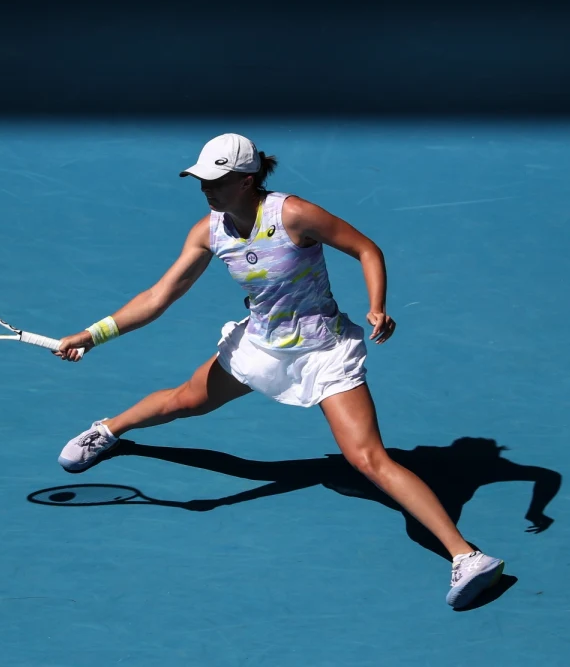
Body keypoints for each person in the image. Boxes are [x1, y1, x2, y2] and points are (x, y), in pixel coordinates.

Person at [52, 132, 505, 609]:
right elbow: (157, 297)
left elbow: (367, 249)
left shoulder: (293, 214)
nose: (207, 189)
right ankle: (108, 431)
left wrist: (377, 307)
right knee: (185, 400)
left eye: (218, 181)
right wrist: (92, 333)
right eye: (202, 180)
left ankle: (468, 557)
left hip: (323, 352)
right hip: (263, 346)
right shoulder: (208, 231)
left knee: (368, 459)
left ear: (247, 181)